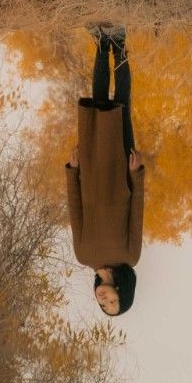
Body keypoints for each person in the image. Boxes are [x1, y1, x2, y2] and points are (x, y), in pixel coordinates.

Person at [65, 26, 143, 316]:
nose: (104, 299)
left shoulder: (84, 255)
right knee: (122, 101)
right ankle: (119, 42)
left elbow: (75, 211)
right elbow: (137, 210)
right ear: (123, 291)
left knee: (98, 99)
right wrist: (136, 173)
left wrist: (73, 171)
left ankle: (100, 42)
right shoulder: (129, 257)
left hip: (92, 173)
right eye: (113, 302)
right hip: (121, 173)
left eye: (102, 305)